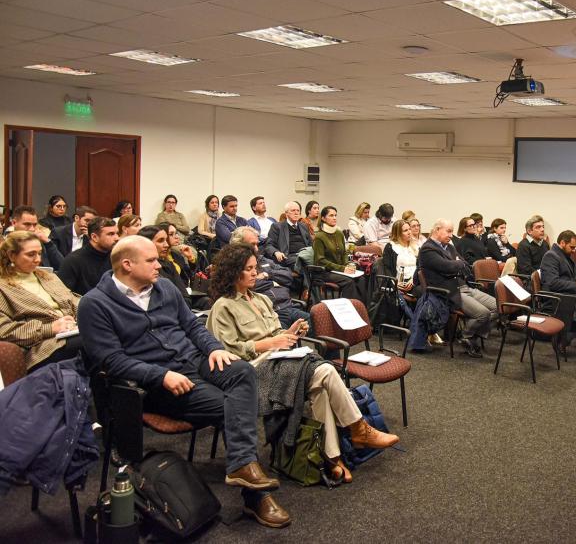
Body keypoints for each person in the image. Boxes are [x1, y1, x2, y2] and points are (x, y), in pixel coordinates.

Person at [78, 236, 291, 528]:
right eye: (151, 260)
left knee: (242, 371)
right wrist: (161, 375)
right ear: (127, 265)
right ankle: (256, 496)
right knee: (231, 405)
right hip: (155, 381)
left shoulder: (164, 287)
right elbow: (111, 361)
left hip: (195, 362)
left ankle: (242, 465)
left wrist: (215, 348)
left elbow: (192, 326)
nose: (159, 264)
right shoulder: (95, 304)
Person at [207, 243, 399, 484]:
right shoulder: (223, 307)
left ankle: (332, 459)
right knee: (326, 370)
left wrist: (291, 332)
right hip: (254, 372)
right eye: (249, 269)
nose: (256, 273)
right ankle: (358, 428)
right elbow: (227, 351)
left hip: (280, 362)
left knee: (319, 386)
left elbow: (276, 334)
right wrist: (269, 344)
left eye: (256, 267)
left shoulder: (263, 300)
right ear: (234, 272)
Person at [0, 231, 81, 372]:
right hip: (41, 347)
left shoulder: (48, 276)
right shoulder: (3, 287)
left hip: (72, 331)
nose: (38, 259)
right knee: (95, 342)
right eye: (31, 254)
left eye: (39, 253)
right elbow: (4, 330)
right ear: (12, 255)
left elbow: (73, 300)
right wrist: (50, 328)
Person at [418, 218, 497, 358]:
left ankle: (469, 335)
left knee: (498, 307)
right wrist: (456, 264)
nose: (451, 235)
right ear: (437, 230)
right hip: (449, 291)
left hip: (463, 286)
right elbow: (446, 267)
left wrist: (456, 264)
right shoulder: (427, 249)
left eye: (452, 232)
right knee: (483, 313)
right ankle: (468, 336)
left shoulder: (449, 246)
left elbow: (465, 265)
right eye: (448, 231)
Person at [230, 226, 311, 330]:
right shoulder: (233, 265)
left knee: (317, 325)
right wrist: (273, 282)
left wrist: (267, 275)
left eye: (257, 244)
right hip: (268, 313)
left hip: (288, 306)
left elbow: (288, 275)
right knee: (286, 340)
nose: (256, 248)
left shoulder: (263, 260)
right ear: (238, 245)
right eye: (252, 244)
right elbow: (250, 287)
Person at [138, 225, 209, 310]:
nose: (166, 244)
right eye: (171, 234)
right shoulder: (142, 268)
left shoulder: (175, 256)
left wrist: (191, 259)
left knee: (207, 302)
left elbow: (188, 282)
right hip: (165, 309)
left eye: (176, 233)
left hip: (183, 299)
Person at [311, 206, 363, 301]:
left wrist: (347, 265)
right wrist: (342, 268)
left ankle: (360, 307)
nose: (334, 218)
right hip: (324, 272)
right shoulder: (319, 236)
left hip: (338, 269)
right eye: (331, 215)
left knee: (361, 279)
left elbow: (344, 253)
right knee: (349, 281)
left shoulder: (339, 233)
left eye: (335, 215)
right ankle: (347, 309)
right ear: (323, 218)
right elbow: (320, 260)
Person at [57, 217, 120, 295]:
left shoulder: (117, 257)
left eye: (117, 233)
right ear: (94, 237)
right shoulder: (73, 261)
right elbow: (63, 295)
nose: (117, 238)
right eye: (110, 234)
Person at [10, 205, 63, 270]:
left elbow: (62, 267)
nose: (32, 229)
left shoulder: (40, 242)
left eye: (34, 225)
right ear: (14, 223)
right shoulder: (6, 245)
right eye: (27, 224)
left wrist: (48, 242)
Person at [265, 201, 311, 270]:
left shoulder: (303, 226)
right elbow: (269, 245)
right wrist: (276, 252)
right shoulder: (277, 226)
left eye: (298, 210)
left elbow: (310, 243)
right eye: (293, 210)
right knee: (301, 264)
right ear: (286, 213)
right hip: (288, 256)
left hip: (304, 255)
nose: (296, 213)